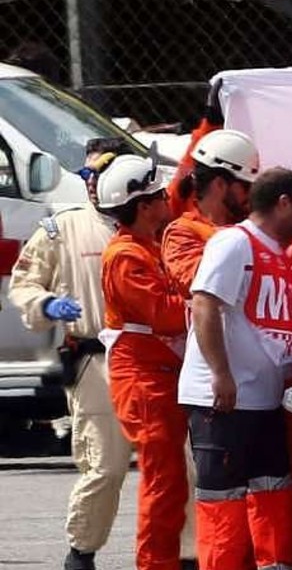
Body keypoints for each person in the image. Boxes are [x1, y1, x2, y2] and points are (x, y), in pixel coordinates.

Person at [178, 168, 292, 570]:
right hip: (222, 400)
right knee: (223, 506)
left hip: (264, 399)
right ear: (284, 203)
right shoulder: (233, 243)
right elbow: (204, 304)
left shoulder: (278, 257)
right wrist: (221, 374)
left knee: (273, 495)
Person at [8, 139, 133, 570]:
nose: (94, 183)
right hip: (96, 362)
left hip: (156, 360)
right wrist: (46, 304)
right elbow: (24, 284)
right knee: (106, 466)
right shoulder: (61, 228)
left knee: (182, 466)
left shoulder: (155, 221)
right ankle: (82, 551)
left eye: (103, 171)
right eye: (86, 175)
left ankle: (188, 553)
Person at [96, 154, 193, 570]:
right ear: (141, 206)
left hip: (158, 374)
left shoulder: (145, 246)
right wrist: (204, 303)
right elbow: (165, 313)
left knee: (171, 481)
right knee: (164, 482)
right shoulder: (125, 257)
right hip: (144, 380)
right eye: (157, 194)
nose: (165, 199)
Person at [162, 129, 261, 295]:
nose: (250, 194)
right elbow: (203, 281)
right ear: (220, 184)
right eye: (246, 186)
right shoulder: (181, 234)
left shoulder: (253, 225)